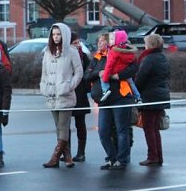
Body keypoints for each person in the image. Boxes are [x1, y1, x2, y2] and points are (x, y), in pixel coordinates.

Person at [39, 23, 83, 168]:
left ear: (64, 35)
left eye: (58, 34)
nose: (56, 37)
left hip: (65, 95)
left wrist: (69, 86)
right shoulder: (48, 51)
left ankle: (55, 157)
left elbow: (79, 72)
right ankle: (68, 157)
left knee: (63, 127)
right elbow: (44, 72)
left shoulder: (71, 51)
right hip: (51, 95)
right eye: (54, 34)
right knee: (59, 127)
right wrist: (44, 86)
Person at [94, 30, 138, 171]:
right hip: (105, 99)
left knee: (121, 130)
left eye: (110, 38)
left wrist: (116, 76)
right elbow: (89, 74)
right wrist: (99, 73)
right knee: (103, 131)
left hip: (121, 96)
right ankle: (112, 158)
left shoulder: (125, 52)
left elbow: (132, 69)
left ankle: (122, 159)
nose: (104, 42)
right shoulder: (100, 56)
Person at [134, 33, 171, 166]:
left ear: (150, 45)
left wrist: (135, 90)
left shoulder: (149, 59)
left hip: (149, 96)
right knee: (155, 128)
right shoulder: (163, 58)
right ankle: (158, 156)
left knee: (149, 128)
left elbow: (141, 78)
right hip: (161, 96)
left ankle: (152, 156)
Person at [99, 29, 141, 103]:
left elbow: (109, 65)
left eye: (112, 39)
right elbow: (132, 61)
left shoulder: (113, 51)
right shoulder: (127, 51)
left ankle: (105, 90)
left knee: (102, 76)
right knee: (131, 83)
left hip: (114, 71)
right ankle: (138, 97)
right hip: (123, 71)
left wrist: (105, 77)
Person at [69, 32, 91, 162]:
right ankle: (66, 152)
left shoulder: (84, 57)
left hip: (80, 93)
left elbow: (88, 73)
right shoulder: (65, 55)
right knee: (65, 125)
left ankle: (81, 152)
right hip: (68, 92)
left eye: (78, 42)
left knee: (80, 124)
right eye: (74, 43)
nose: (77, 45)